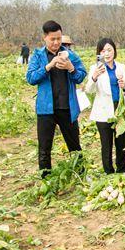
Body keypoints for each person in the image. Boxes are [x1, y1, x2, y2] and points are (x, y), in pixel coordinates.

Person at [26, 20, 87, 177]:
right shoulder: (38, 56)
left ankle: (81, 175)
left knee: (74, 145)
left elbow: (81, 76)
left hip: (67, 107)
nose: (56, 42)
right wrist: (49, 66)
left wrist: (71, 68)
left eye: (59, 38)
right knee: (44, 147)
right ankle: (47, 179)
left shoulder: (70, 55)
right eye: (52, 39)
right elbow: (31, 78)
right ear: (45, 38)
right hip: (46, 110)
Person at [85, 38, 125, 174]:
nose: (107, 53)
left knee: (121, 143)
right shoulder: (95, 68)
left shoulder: (122, 67)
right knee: (106, 144)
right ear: (99, 53)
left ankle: (122, 170)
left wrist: (124, 87)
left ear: (114, 51)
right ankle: (108, 172)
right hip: (103, 112)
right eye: (103, 50)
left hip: (120, 109)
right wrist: (94, 77)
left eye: (109, 50)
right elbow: (89, 90)